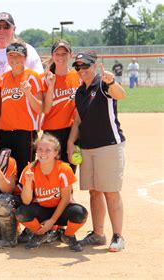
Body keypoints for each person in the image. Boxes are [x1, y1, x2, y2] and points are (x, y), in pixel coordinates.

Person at [68, 51, 127, 252]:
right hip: (87, 147)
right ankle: (98, 234)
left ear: (95, 65)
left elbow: (121, 95)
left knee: (111, 191)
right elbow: (78, 120)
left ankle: (118, 235)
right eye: (78, 67)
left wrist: (111, 82)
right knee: (94, 192)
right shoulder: (80, 91)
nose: (82, 70)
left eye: (86, 66)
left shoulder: (103, 84)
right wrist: (70, 142)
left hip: (108, 145)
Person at [17, 134, 88, 252]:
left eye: (48, 150)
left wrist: (52, 221)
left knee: (80, 213)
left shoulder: (63, 169)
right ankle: (40, 234)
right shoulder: (30, 169)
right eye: (40, 149)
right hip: (42, 209)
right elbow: (26, 201)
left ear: (55, 152)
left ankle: (68, 235)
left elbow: (66, 199)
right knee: (21, 213)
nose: (43, 153)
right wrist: (28, 183)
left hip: (61, 211)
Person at [0, 40, 43, 176]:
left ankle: (25, 197)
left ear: (25, 57)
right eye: (11, 55)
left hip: (25, 132)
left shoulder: (32, 76)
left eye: (18, 55)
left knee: (25, 171)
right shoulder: (3, 78)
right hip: (4, 131)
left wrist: (28, 93)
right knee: (6, 170)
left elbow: (40, 108)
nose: (15, 59)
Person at [42, 40, 80, 172]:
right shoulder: (45, 78)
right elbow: (45, 110)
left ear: (71, 55)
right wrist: (51, 85)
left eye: (64, 53)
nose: (60, 57)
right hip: (51, 132)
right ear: (52, 55)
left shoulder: (78, 76)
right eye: (57, 53)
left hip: (72, 132)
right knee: (50, 173)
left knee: (68, 174)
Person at [0, 12, 43, 76]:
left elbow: (39, 78)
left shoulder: (27, 50)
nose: (1, 31)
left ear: (14, 29)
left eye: (6, 27)